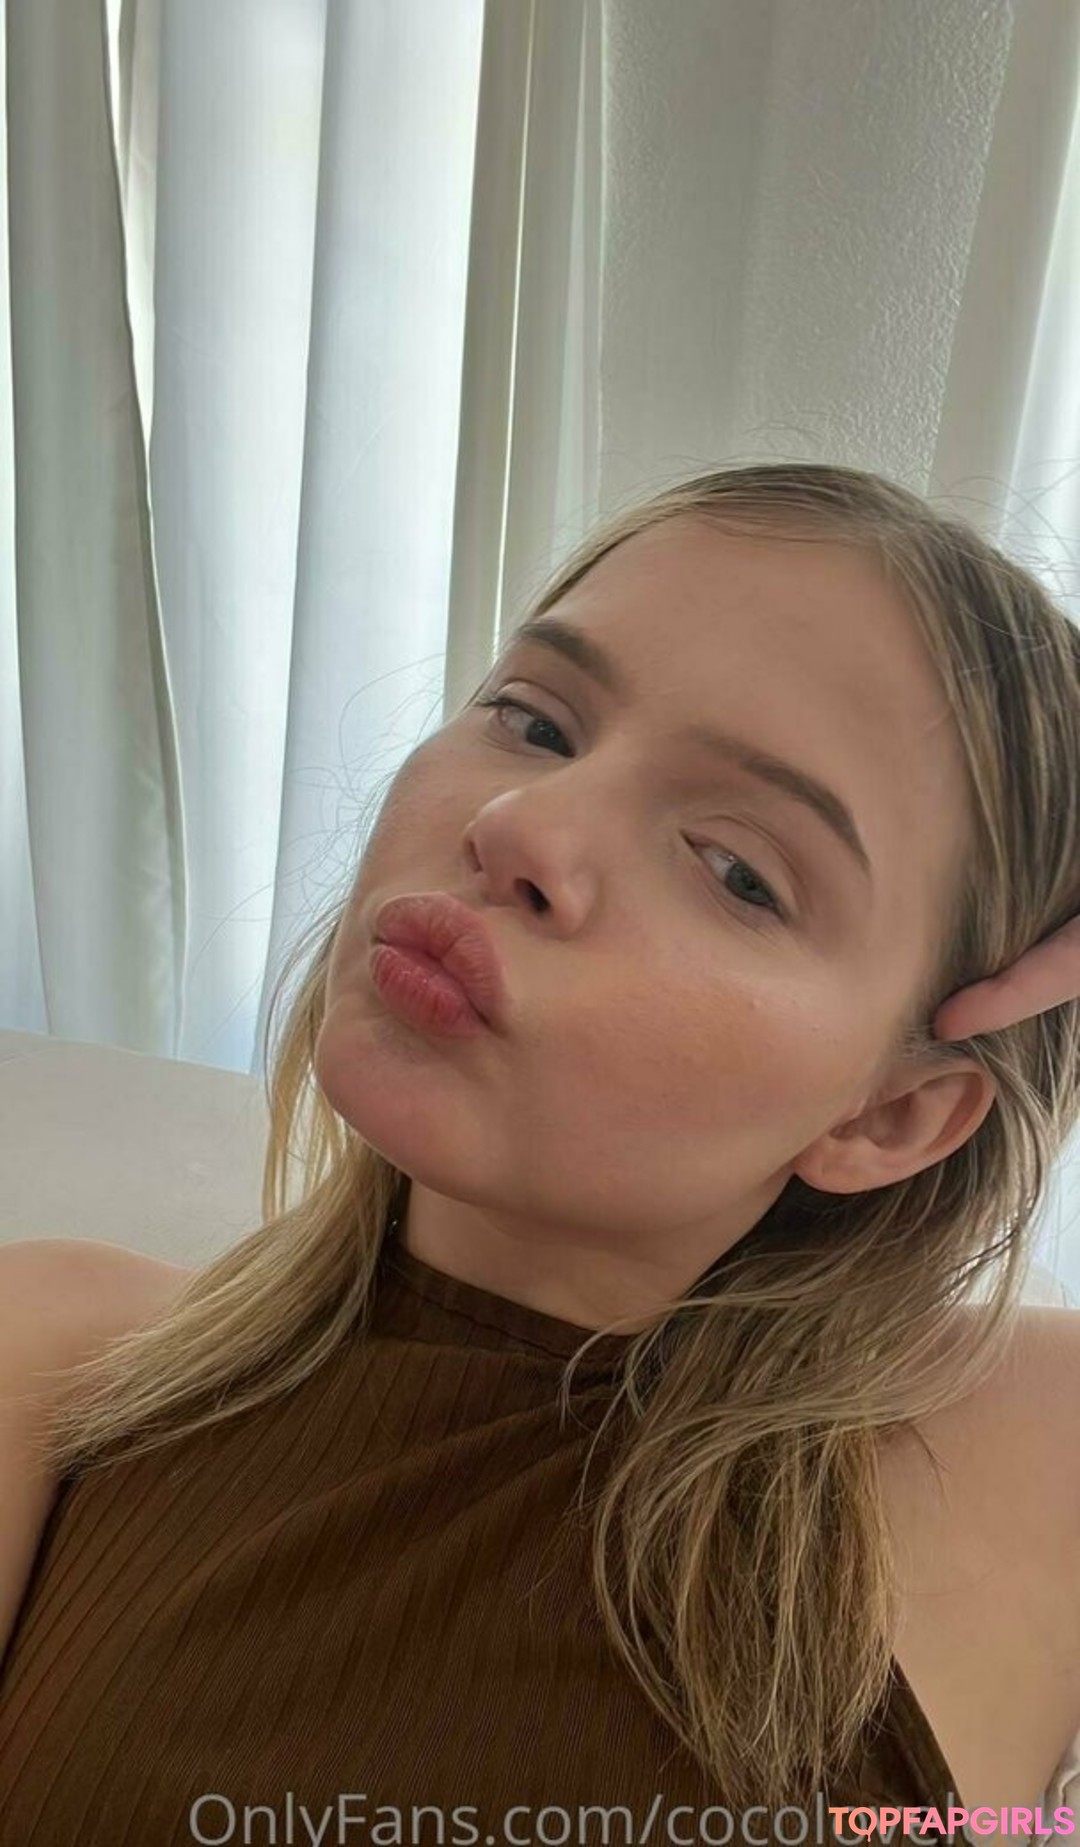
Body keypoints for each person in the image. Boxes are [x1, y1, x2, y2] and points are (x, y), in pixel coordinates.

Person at [1, 462, 1079, 1843]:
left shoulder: (1022, 1451)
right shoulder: (60, 1363)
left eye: (738, 870)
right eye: (534, 721)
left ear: (888, 1118)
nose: (519, 827)